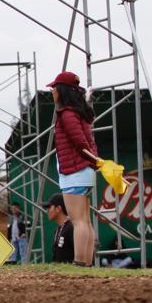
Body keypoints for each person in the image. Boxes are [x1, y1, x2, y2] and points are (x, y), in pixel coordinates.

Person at [48, 71, 98, 266]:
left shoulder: (67, 113)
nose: (52, 91)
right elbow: (86, 142)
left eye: (54, 88)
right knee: (84, 220)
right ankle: (86, 263)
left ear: (61, 90)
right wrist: (94, 162)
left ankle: (79, 262)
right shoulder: (80, 112)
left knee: (77, 221)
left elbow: (79, 141)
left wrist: (91, 160)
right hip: (84, 171)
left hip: (74, 172)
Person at [44, 193, 74, 264]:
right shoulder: (58, 229)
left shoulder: (71, 227)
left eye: (49, 207)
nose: (47, 210)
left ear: (58, 208)